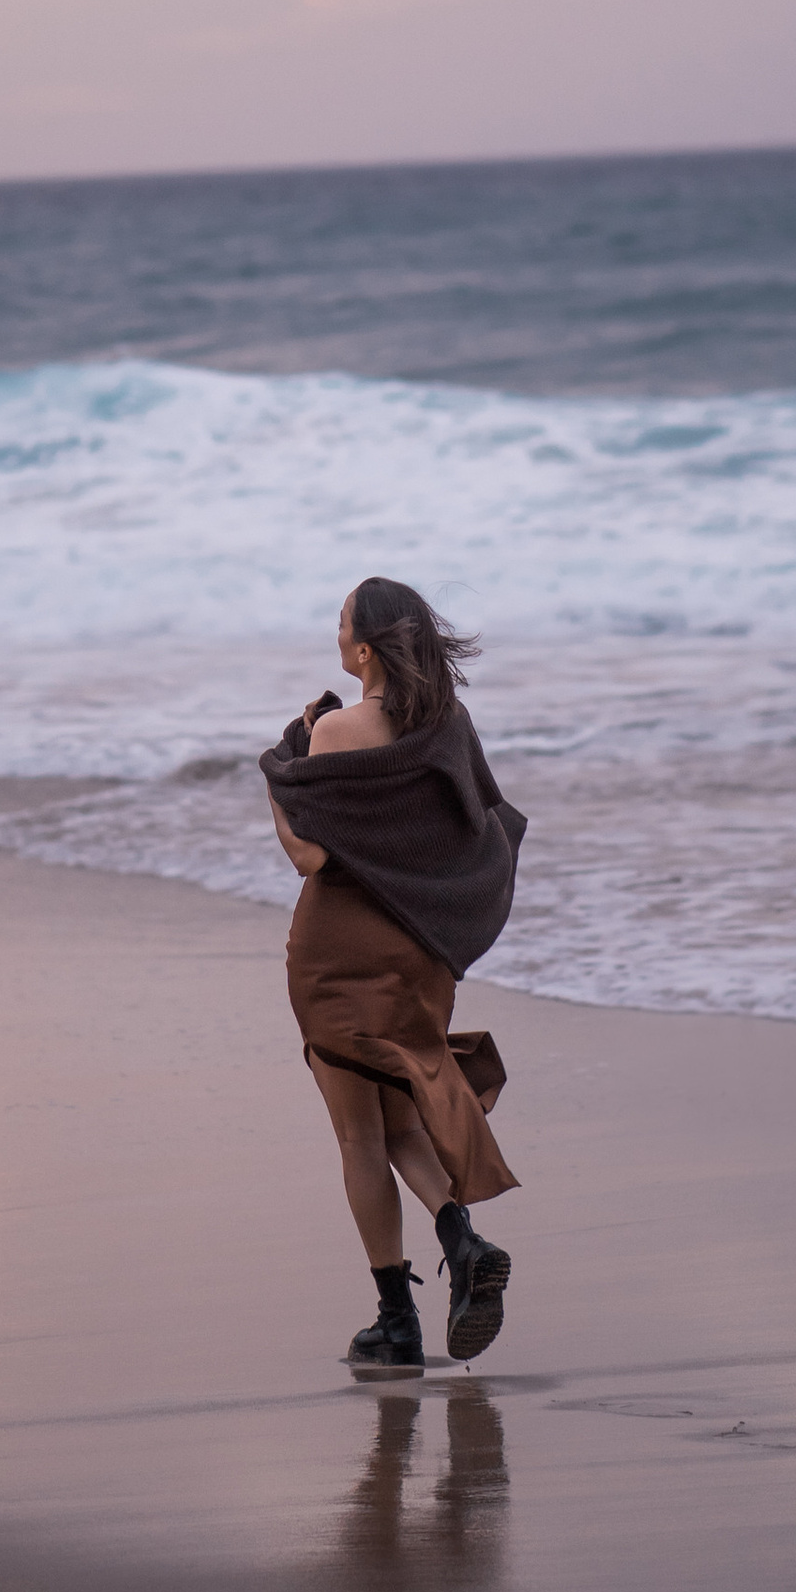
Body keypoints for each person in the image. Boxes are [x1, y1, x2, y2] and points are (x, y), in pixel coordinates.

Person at [261, 578, 527, 1375]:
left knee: (359, 1134)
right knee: (401, 1120)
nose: (334, 633)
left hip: (338, 952)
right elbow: (480, 826)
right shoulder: (447, 726)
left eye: (341, 623)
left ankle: (396, 1321)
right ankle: (462, 1243)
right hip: (420, 949)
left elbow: (310, 854)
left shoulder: (337, 732)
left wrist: (278, 775)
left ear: (365, 648)